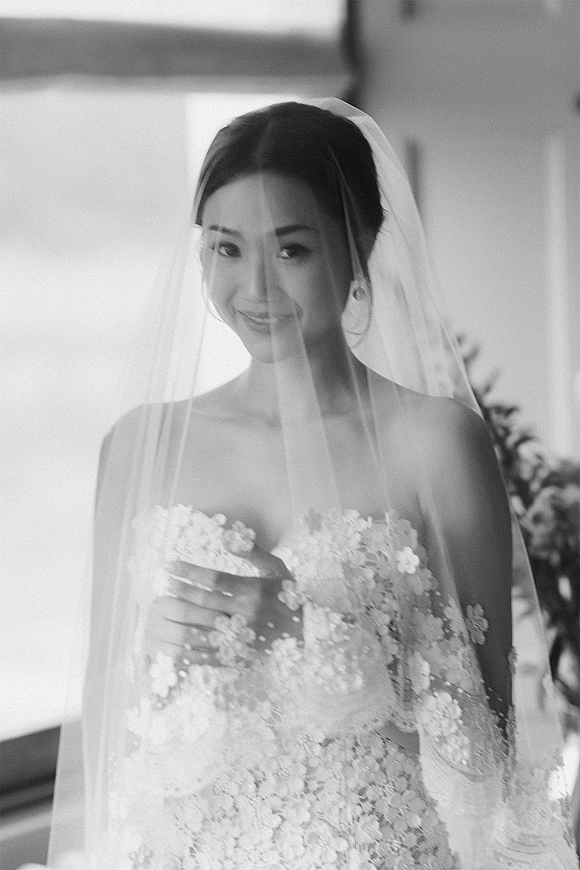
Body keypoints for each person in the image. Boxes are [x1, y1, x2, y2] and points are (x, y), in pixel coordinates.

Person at [48, 99, 578, 869]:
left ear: (359, 244)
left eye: (291, 250)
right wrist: (150, 662)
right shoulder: (138, 445)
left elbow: (489, 748)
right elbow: (105, 730)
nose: (255, 286)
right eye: (228, 249)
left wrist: (312, 635)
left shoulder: (435, 441)